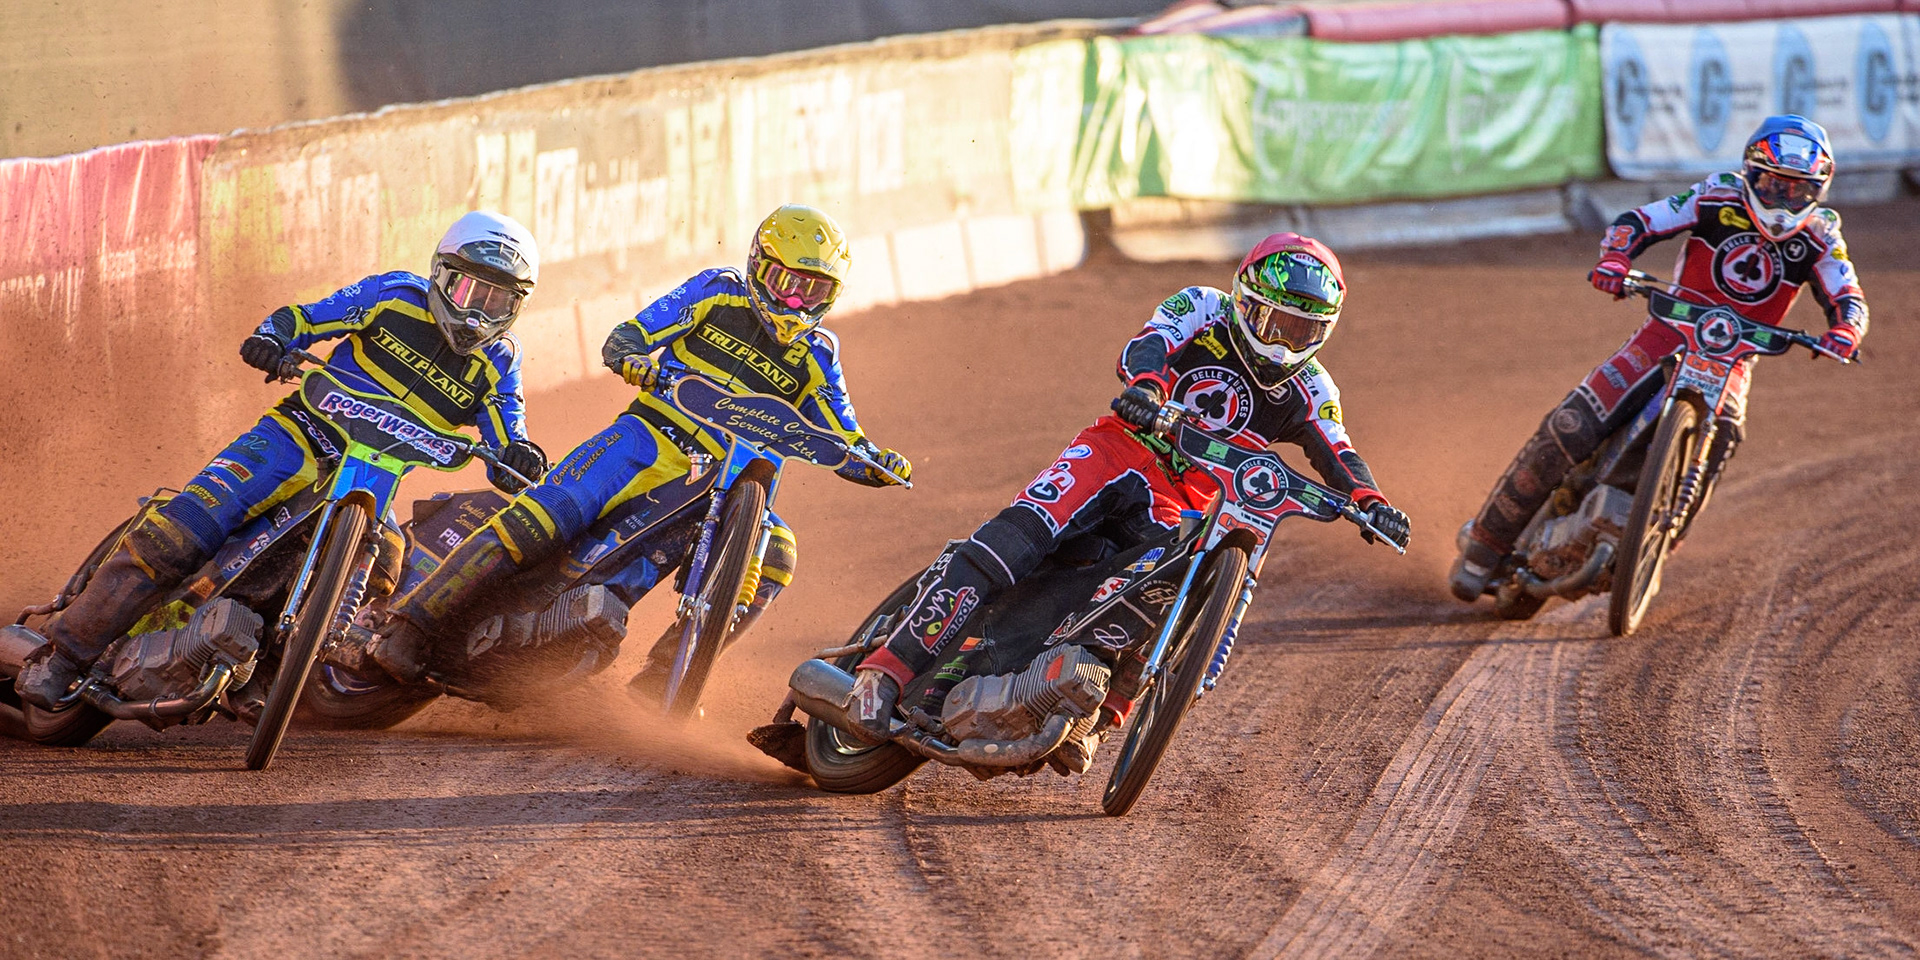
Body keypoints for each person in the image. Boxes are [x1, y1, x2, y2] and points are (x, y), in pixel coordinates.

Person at [844, 232, 1410, 759]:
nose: (1285, 341)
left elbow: (1337, 451)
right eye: (1275, 322)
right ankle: (884, 670)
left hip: (1183, 500)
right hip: (1121, 448)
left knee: (1160, 596)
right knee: (1018, 538)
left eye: (1303, 331)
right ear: (1245, 298)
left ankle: (1082, 706)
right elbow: (1149, 345)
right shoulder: (1203, 306)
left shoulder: (1313, 387)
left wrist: (1370, 499)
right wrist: (1146, 387)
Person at [14, 211, 549, 709]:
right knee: (185, 528)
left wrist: (518, 455)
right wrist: (274, 338)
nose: (478, 312)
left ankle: (266, 668)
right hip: (298, 435)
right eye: (467, 288)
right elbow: (307, 317)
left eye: (498, 301)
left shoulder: (499, 358)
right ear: (439, 273)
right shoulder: (393, 296)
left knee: (384, 566)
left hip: (372, 480)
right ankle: (64, 655)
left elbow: (507, 421)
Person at [367, 203, 912, 692]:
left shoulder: (819, 351)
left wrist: (876, 461)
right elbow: (630, 334)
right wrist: (633, 357)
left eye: (812, 290)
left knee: (777, 556)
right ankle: (409, 624)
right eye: (785, 282)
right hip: (648, 439)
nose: (795, 300)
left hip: (733, 478)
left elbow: (844, 435)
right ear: (756, 264)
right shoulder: (717, 291)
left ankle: (664, 677)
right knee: (542, 519)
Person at [1448, 114, 1870, 603]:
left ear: (1818, 190)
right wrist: (1615, 259)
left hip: (1732, 363)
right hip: (1664, 335)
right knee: (1571, 425)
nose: (1781, 201)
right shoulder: (1717, 195)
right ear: (1751, 173)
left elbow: (1848, 294)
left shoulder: (1821, 236)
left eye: (1796, 191)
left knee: (1720, 448)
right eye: (1772, 185)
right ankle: (1484, 545)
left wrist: (1845, 331)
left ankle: (1648, 555)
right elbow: (1641, 221)